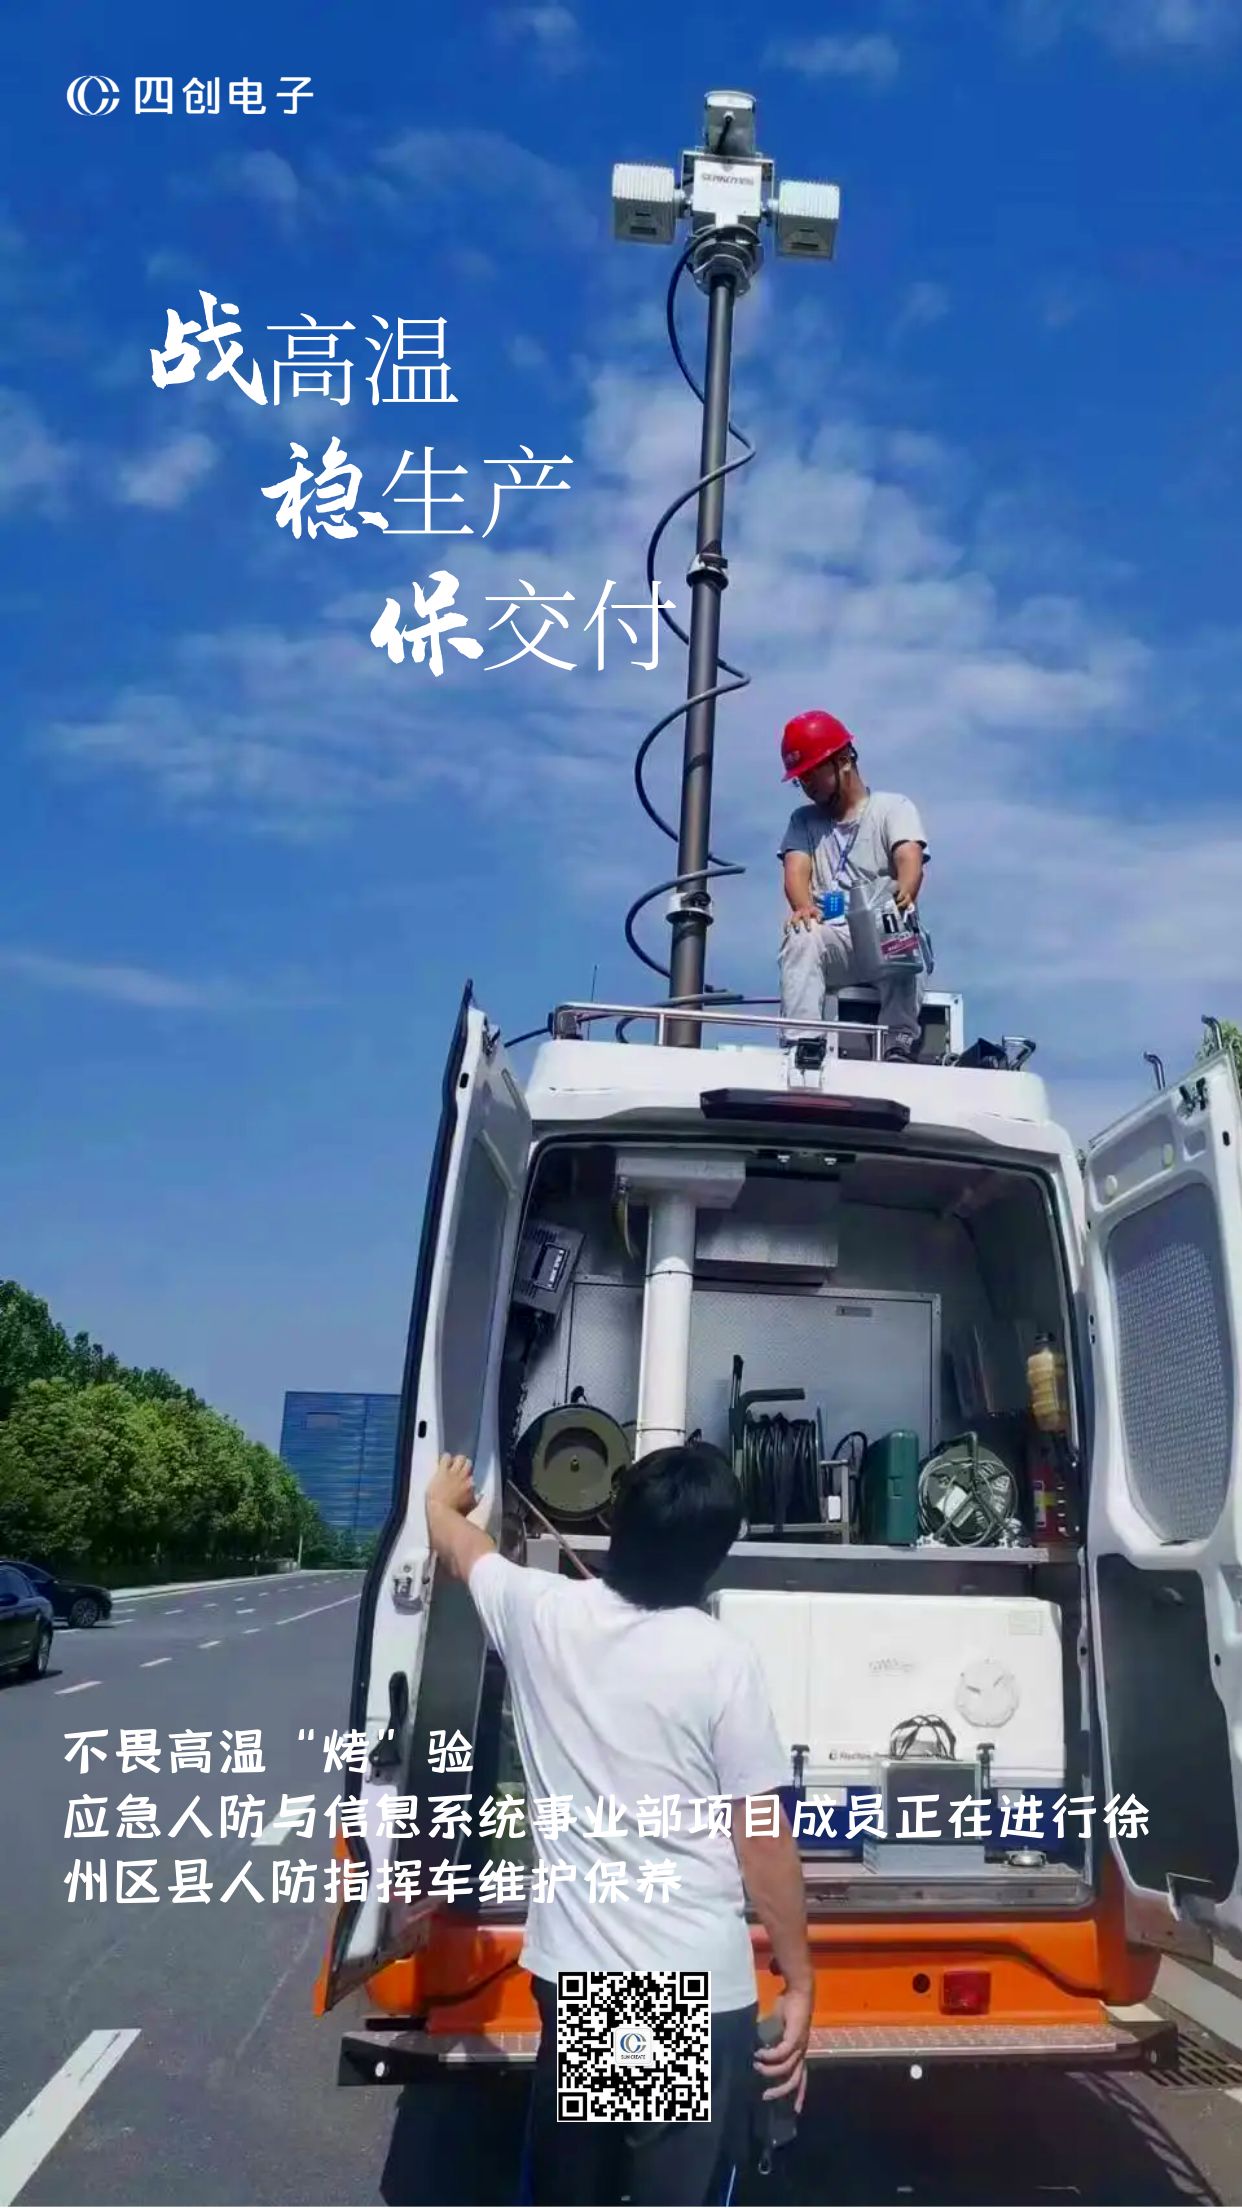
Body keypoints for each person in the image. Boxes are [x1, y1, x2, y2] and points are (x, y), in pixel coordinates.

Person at [425, 1443, 814, 2208]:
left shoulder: (538, 1612)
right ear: (716, 1555)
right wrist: (798, 1982)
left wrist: (443, 1498)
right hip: (694, 1982)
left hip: (587, 1978)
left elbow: (460, 1547)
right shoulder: (722, 1658)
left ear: (616, 1521)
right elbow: (762, 1840)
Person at [777, 708, 930, 1062]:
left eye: (811, 773)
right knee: (802, 935)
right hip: (836, 938)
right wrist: (803, 905)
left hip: (881, 928)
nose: (807, 786)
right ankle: (803, 1043)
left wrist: (907, 888)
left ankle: (897, 1042)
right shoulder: (802, 821)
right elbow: (795, 869)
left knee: (900, 933)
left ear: (844, 760)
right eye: (800, 779)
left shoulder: (892, 807)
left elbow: (909, 854)